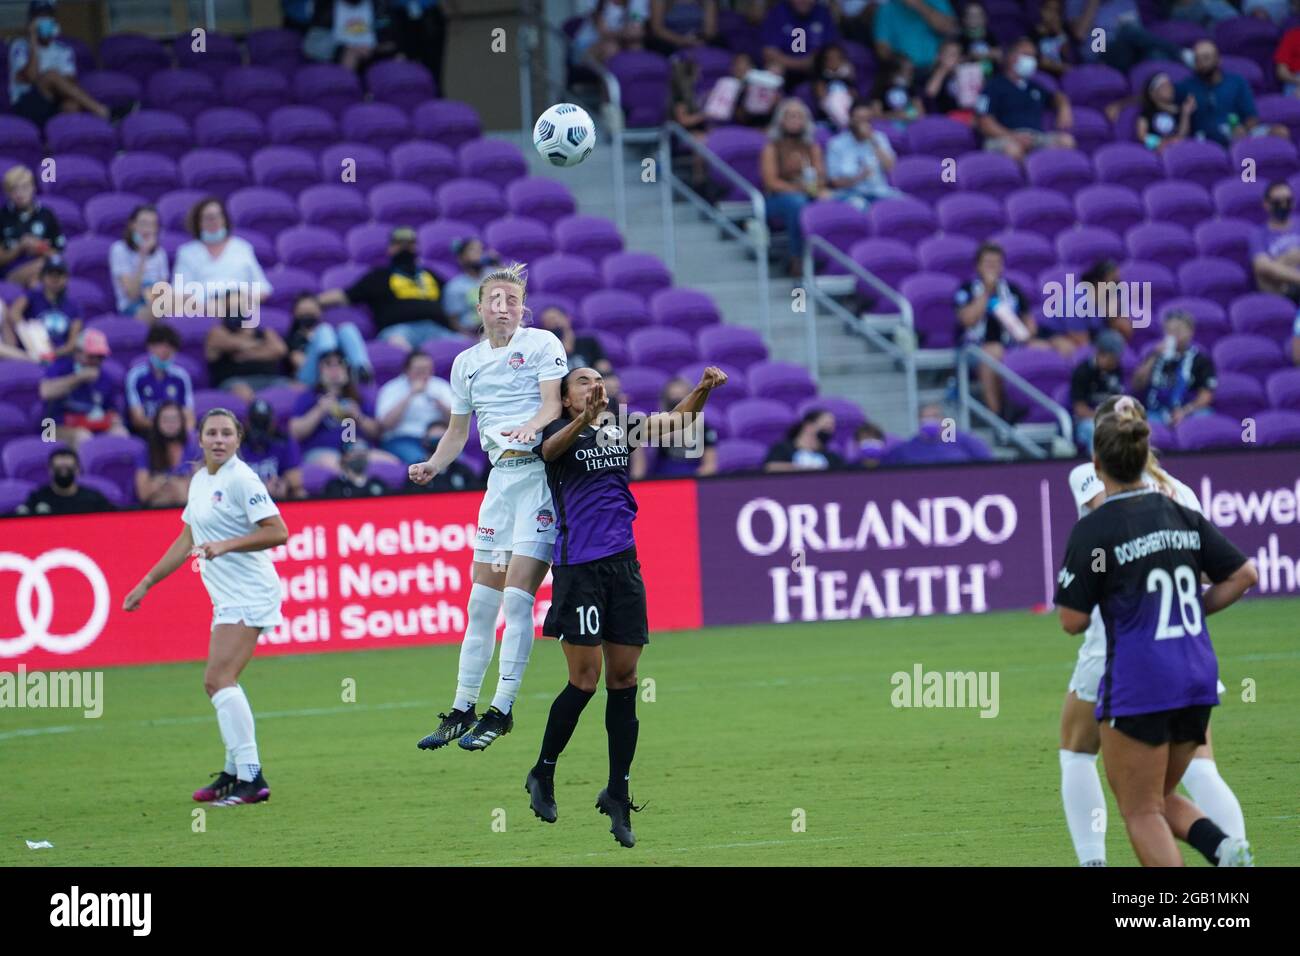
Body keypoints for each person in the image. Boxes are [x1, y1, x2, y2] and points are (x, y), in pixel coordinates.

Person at [526, 364, 728, 846]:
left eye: (598, 380)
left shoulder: (621, 426)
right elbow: (548, 452)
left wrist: (701, 390)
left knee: (624, 680)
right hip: (579, 570)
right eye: (583, 382)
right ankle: (543, 771)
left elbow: (678, 422)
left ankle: (617, 791)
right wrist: (582, 421)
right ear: (567, 398)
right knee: (584, 681)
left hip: (624, 569)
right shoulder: (556, 431)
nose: (594, 386)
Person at [1054, 397, 1257, 867]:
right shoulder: (1181, 496)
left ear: (1099, 454)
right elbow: (1229, 573)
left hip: (1126, 648)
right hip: (1189, 650)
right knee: (1191, 773)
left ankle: (1094, 862)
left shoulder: (1094, 485)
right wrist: (1189, 611)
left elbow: (1103, 519)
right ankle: (1230, 846)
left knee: (1082, 754)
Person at [410, 263, 566, 753]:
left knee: (518, 599)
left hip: (538, 480)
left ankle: (501, 710)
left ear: (522, 308)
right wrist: (434, 464)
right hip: (499, 486)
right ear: (479, 308)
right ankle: (462, 709)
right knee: (481, 605)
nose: (503, 307)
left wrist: (530, 427)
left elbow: (553, 407)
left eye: (511, 300)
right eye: (494, 300)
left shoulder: (542, 344)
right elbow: (458, 431)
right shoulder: (465, 363)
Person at [124, 407, 289, 807]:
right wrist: (147, 582)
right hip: (226, 595)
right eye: (211, 433)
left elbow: (278, 531)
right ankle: (235, 771)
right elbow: (187, 541)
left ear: (238, 439)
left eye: (226, 434)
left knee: (218, 680)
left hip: (250, 591)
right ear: (199, 439)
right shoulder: (199, 480)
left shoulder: (242, 479)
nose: (218, 439)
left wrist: (225, 545)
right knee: (221, 681)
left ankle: (252, 777)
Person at [316, 226, 454, 352]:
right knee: (404, 351)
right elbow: (345, 295)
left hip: (437, 329)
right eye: (400, 243)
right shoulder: (379, 276)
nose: (405, 247)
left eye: (410, 243)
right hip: (398, 330)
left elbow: (455, 297)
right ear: (390, 248)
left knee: (466, 349)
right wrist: (312, 302)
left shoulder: (431, 274)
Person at [953, 242, 1045, 417]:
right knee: (993, 352)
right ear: (978, 266)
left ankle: (1036, 411)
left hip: (1011, 343)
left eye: (997, 263)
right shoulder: (966, 289)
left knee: (1045, 348)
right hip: (975, 348)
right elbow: (967, 320)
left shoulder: (1012, 290)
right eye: (988, 263)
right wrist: (987, 291)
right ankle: (997, 415)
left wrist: (1025, 334)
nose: (993, 268)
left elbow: (1029, 324)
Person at [7, 0, 114, 129]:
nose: (45, 21)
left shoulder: (63, 50)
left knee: (72, 105)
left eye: (48, 17)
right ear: (32, 22)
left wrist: (58, 85)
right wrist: (33, 41)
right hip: (26, 104)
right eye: (40, 18)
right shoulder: (19, 47)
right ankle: (102, 111)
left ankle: (58, 144)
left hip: (53, 101)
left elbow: (69, 83)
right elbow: (31, 77)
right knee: (51, 75)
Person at [761, 98, 831, 278]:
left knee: (832, 200)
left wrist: (815, 186)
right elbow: (771, 182)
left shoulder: (812, 147)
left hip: (807, 193)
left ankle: (826, 258)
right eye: (790, 116)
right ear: (781, 120)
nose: (795, 120)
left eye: (799, 116)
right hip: (778, 199)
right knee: (798, 204)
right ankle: (797, 259)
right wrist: (800, 188)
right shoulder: (772, 147)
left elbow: (821, 178)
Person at [976, 38, 1075, 163]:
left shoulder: (1033, 87)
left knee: (1066, 141)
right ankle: (1028, 181)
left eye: (1033, 56)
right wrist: (1013, 136)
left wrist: (1064, 108)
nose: (1031, 60)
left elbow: (1057, 97)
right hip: (1004, 138)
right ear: (1011, 57)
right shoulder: (993, 86)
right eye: (1027, 55)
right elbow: (984, 122)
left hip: (1035, 137)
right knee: (1013, 150)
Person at [171, 198, 273, 318]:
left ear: (225, 219)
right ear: (198, 222)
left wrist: (241, 301)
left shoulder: (242, 248)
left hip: (241, 305)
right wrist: (208, 306)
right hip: (204, 309)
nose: (213, 221)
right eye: (208, 218)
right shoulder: (186, 252)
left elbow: (263, 288)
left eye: (217, 216)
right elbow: (179, 292)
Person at [288, 349, 386, 472]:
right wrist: (320, 410)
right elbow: (295, 432)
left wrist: (358, 416)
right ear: (320, 370)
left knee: (390, 463)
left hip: (359, 451)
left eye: (340, 363)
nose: (334, 369)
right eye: (328, 364)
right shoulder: (308, 397)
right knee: (338, 466)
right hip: (322, 452)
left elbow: (377, 432)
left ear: (347, 370)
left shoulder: (358, 396)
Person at [1178, 40, 1290, 148]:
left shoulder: (1236, 82)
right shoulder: (1187, 87)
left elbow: (1251, 117)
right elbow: (1167, 104)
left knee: (1280, 132)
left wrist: (1243, 130)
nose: (1202, 63)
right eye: (1198, 59)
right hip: (1204, 139)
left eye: (1206, 57)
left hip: (1238, 133)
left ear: (1218, 59)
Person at [39, 327, 128, 447]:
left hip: (91, 424)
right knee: (83, 437)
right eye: (91, 356)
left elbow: (111, 410)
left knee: (121, 434)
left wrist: (114, 420)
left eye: (100, 357)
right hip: (52, 427)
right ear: (77, 353)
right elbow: (45, 392)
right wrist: (78, 378)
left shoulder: (105, 378)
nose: (95, 361)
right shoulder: (61, 367)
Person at [1131, 310, 1217, 426]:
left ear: (1190, 332)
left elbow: (1206, 396)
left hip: (1187, 412)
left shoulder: (1201, 360)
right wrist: (1153, 357)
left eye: (1178, 330)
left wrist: (1185, 411)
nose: (1173, 334)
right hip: (1156, 412)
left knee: (1205, 416)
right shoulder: (1154, 355)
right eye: (1168, 330)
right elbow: (1137, 384)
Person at [1065, 0, 1189, 75]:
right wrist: (1094, 3)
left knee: (1156, 55)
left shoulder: (1124, 2)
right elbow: (1079, 34)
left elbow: (1138, 32)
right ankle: (1182, 53)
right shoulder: (1076, 2)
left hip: (1129, 49)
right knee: (1128, 31)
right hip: (1100, 53)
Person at [375, 349, 455, 464]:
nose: (424, 374)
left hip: (437, 439)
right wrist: (410, 395)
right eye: (419, 370)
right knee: (421, 463)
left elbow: (456, 420)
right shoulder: (391, 389)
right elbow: (385, 424)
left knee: (457, 462)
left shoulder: (440, 386)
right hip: (402, 438)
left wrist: (439, 402)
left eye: (427, 369)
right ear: (406, 370)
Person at [631, 376, 719, 477]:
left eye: (682, 397)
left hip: (692, 476)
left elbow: (710, 465)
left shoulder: (704, 428)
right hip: (662, 476)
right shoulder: (657, 422)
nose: (677, 401)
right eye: (672, 397)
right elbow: (661, 437)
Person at [205, 304, 291, 403]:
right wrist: (261, 347)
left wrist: (247, 354)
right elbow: (236, 345)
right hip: (236, 381)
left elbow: (280, 350)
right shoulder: (217, 332)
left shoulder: (262, 331)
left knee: (296, 389)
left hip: (269, 378)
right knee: (244, 394)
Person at [827, 98, 901, 210]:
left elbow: (890, 167)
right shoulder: (836, 144)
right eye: (860, 120)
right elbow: (835, 182)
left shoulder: (879, 138)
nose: (864, 124)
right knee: (861, 206)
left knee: (903, 203)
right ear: (851, 119)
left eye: (868, 120)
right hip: (850, 194)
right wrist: (859, 177)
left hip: (879, 192)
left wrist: (872, 141)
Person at [2, 254, 80, 360]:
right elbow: (14, 312)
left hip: (60, 356)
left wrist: (53, 353)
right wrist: (28, 332)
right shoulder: (33, 295)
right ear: (42, 277)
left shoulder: (73, 305)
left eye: (59, 274)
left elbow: (72, 343)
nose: (55, 279)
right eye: (51, 274)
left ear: (66, 278)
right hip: (34, 350)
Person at [286, 292, 371, 387]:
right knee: (324, 330)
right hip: (310, 378)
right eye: (304, 312)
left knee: (347, 329)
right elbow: (300, 364)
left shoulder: (332, 336)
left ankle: (361, 370)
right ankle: (330, 366)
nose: (307, 315)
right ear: (296, 314)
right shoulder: (294, 338)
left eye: (311, 311)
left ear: (319, 312)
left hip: (339, 370)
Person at [1, 163, 66, 287]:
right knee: (44, 268)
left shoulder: (46, 215)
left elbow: (58, 254)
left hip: (41, 271)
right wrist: (20, 247)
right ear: (8, 193)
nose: (20, 194)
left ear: (33, 188)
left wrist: (39, 247)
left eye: (24, 187)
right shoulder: (2, 217)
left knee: (36, 283)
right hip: (10, 274)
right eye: (14, 189)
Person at [125, 322, 194, 435]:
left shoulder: (181, 377)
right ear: (150, 347)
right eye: (160, 345)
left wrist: (182, 434)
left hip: (177, 433)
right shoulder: (136, 376)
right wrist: (166, 429)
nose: (165, 351)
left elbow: (189, 418)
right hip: (148, 433)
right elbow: (138, 419)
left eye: (170, 346)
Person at [762, 0, 841, 90]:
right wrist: (801, 64)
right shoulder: (776, 12)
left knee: (838, 67)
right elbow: (769, 52)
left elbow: (833, 49)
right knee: (773, 69)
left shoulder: (823, 13)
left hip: (817, 70)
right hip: (785, 70)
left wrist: (816, 60)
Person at [1068, 329, 1126, 450]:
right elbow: (1080, 409)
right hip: (1086, 422)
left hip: (1109, 419)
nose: (1115, 362)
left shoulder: (1116, 370)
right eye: (1112, 358)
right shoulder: (1083, 372)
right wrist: (1104, 418)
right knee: (1098, 432)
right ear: (1100, 354)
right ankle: (1099, 466)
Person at [110, 205, 170, 321]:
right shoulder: (119, 249)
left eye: (152, 225)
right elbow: (132, 295)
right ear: (133, 225)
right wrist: (143, 255)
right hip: (130, 307)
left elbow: (162, 292)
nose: (147, 229)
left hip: (155, 302)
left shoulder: (160, 253)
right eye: (143, 224)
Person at [135, 400, 199, 508]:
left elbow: (201, 488)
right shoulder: (146, 451)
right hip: (158, 509)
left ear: (182, 422)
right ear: (157, 422)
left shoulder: (193, 447)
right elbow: (143, 494)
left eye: (174, 419)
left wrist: (161, 482)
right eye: (165, 419)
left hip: (189, 507)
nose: (170, 424)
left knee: (181, 490)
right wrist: (168, 481)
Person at [881, 403, 993, 464]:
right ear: (918, 420)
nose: (930, 420)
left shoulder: (966, 442)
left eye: (935, 416)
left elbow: (987, 465)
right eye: (925, 417)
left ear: (943, 419)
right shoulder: (907, 449)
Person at [15, 447, 113, 516]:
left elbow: (114, 515)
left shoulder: (93, 498)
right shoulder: (37, 497)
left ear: (77, 470)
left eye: (68, 469)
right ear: (50, 470)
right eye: (58, 469)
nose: (63, 473)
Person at [240, 398, 306, 500]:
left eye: (264, 423)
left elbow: (296, 479)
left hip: (277, 498)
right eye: (256, 423)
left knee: (299, 492)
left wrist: (285, 483)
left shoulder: (284, 442)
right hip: (245, 499)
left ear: (273, 423)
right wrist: (262, 489)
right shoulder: (237, 444)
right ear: (247, 423)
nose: (260, 429)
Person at [873, 0, 957, 73]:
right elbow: (882, 48)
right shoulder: (886, 10)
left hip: (940, 68)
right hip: (906, 74)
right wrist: (899, 60)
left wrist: (919, 5)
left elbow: (950, 29)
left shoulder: (936, 1)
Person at [1249, 179, 1300, 298]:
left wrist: (1281, 262)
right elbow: (1263, 267)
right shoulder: (1258, 234)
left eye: (1288, 201)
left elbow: (1273, 266)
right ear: (1266, 205)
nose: (1283, 206)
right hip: (1284, 291)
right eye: (1278, 202)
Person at [440, 238, 498, 333]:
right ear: (461, 258)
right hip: (474, 333)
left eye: (481, 250)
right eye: (472, 250)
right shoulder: (454, 287)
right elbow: (454, 323)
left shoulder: (496, 276)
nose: (479, 253)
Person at [409, 420, 482, 492]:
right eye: (434, 440)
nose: (438, 444)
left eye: (441, 440)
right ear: (425, 441)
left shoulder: (462, 470)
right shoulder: (418, 471)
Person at [764, 409, 846, 471]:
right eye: (826, 425)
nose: (830, 430)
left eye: (832, 427)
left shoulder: (831, 456)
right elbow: (770, 467)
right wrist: (804, 468)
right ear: (808, 426)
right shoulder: (783, 449)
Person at [538, 305, 610, 375]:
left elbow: (604, 369)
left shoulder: (589, 342)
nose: (552, 323)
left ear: (567, 318)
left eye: (554, 319)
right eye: (547, 322)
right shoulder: (546, 351)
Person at [1136, 73, 1194, 153]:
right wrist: (1158, 142)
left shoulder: (1178, 110)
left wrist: (1186, 114)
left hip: (1177, 148)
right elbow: (1141, 135)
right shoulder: (1148, 111)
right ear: (1153, 93)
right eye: (1164, 87)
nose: (1170, 89)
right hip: (1156, 150)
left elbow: (1182, 135)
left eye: (1170, 86)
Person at [810, 42, 858, 127]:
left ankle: (847, 123)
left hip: (848, 106)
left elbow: (854, 95)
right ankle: (845, 124)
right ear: (823, 62)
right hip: (829, 112)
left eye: (837, 58)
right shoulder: (821, 78)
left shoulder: (846, 77)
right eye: (830, 59)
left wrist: (847, 75)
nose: (834, 61)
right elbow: (822, 97)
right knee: (834, 101)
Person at [647, 0, 719, 56]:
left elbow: (710, 30)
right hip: (669, 43)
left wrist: (696, 40)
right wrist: (683, 41)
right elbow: (657, 29)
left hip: (699, 40)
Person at [323, 438, 389, 497]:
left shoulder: (377, 484)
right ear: (344, 457)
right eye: (355, 450)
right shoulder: (336, 487)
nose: (361, 453)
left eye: (364, 449)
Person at [869, 55, 924, 126]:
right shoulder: (880, 89)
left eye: (912, 71)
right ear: (895, 71)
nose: (911, 75)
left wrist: (908, 114)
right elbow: (876, 116)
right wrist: (895, 115)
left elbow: (920, 112)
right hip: (887, 126)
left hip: (910, 124)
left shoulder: (910, 88)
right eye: (908, 71)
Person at [1032, 0, 1076, 78]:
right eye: (1049, 9)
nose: (1053, 15)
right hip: (1044, 74)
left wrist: (1060, 33)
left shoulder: (1063, 31)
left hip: (1065, 75)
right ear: (1041, 10)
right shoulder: (1034, 33)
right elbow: (1039, 61)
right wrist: (1060, 67)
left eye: (1057, 11)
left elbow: (1070, 57)